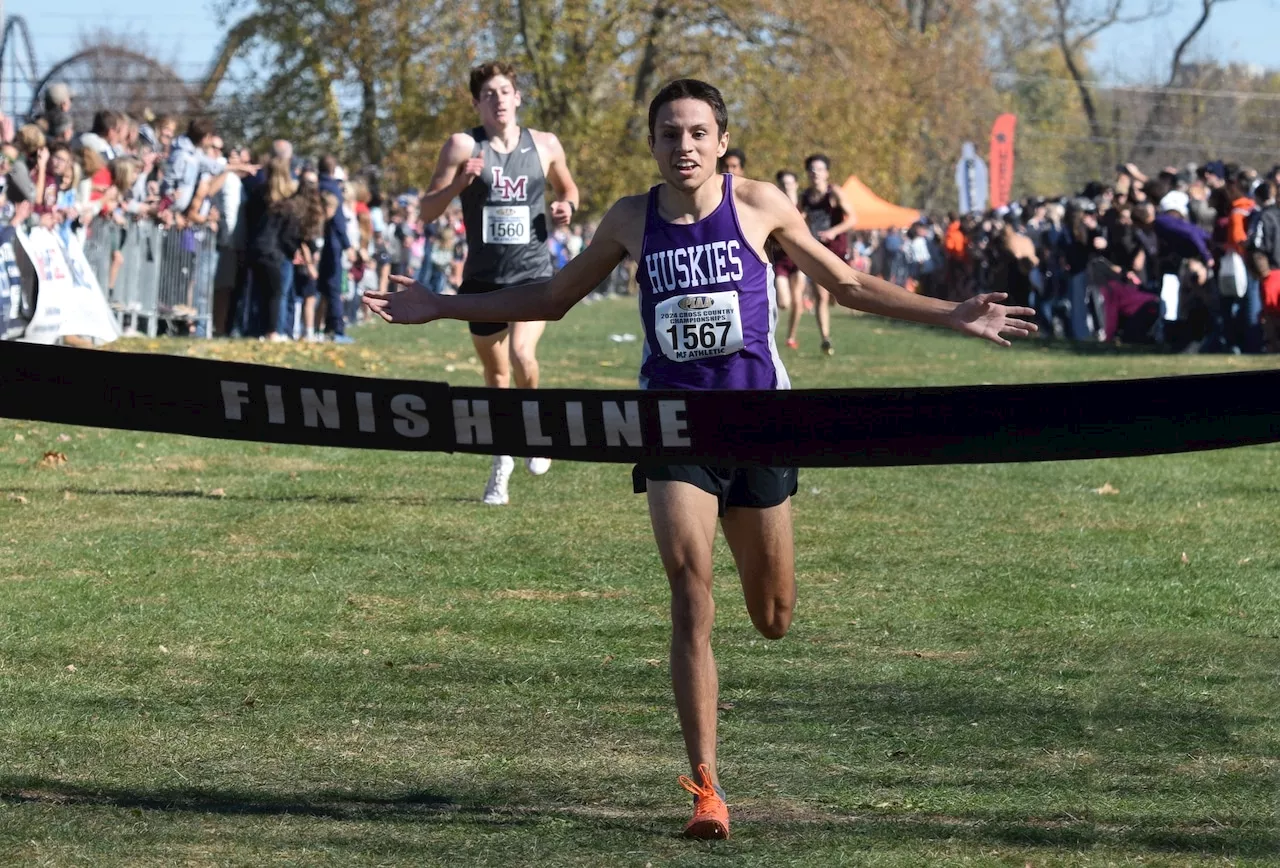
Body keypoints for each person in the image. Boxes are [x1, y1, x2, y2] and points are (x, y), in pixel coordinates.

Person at [364, 78, 1037, 840]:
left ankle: (726, 723)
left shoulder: (757, 207)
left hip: (761, 427)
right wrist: (442, 304)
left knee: (773, 616)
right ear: (650, 145)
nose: (681, 146)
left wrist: (953, 312)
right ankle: (707, 788)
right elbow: (552, 297)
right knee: (690, 591)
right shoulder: (630, 219)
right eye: (667, 134)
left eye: (695, 133)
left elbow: (845, 283)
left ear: (720, 141)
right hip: (673, 427)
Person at [414, 60, 580, 505]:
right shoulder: (462, 145)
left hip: (533, 275)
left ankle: (536, 433)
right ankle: (501, 461)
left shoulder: (544, 144)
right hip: (484, 282)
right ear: (476, 103)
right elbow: (426, 210)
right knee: (497, 375)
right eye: (489, 94)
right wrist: (459, 185)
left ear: (518, 97)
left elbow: (569, 190)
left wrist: (566, 207)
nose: (499, 99)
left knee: (524, 353)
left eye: (505, 91)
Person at [799, 153, 858, 355]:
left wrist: (834, 231)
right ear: (808, 173)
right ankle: (825, 337)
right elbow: (797, 221)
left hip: (837, 250)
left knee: (842, 292)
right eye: (812, 170)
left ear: (827, 173)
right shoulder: (805, 197)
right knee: (820, 296)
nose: (816, 173)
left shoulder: (834, 193)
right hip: (816, 250)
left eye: (820, 169)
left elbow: (852, 219)